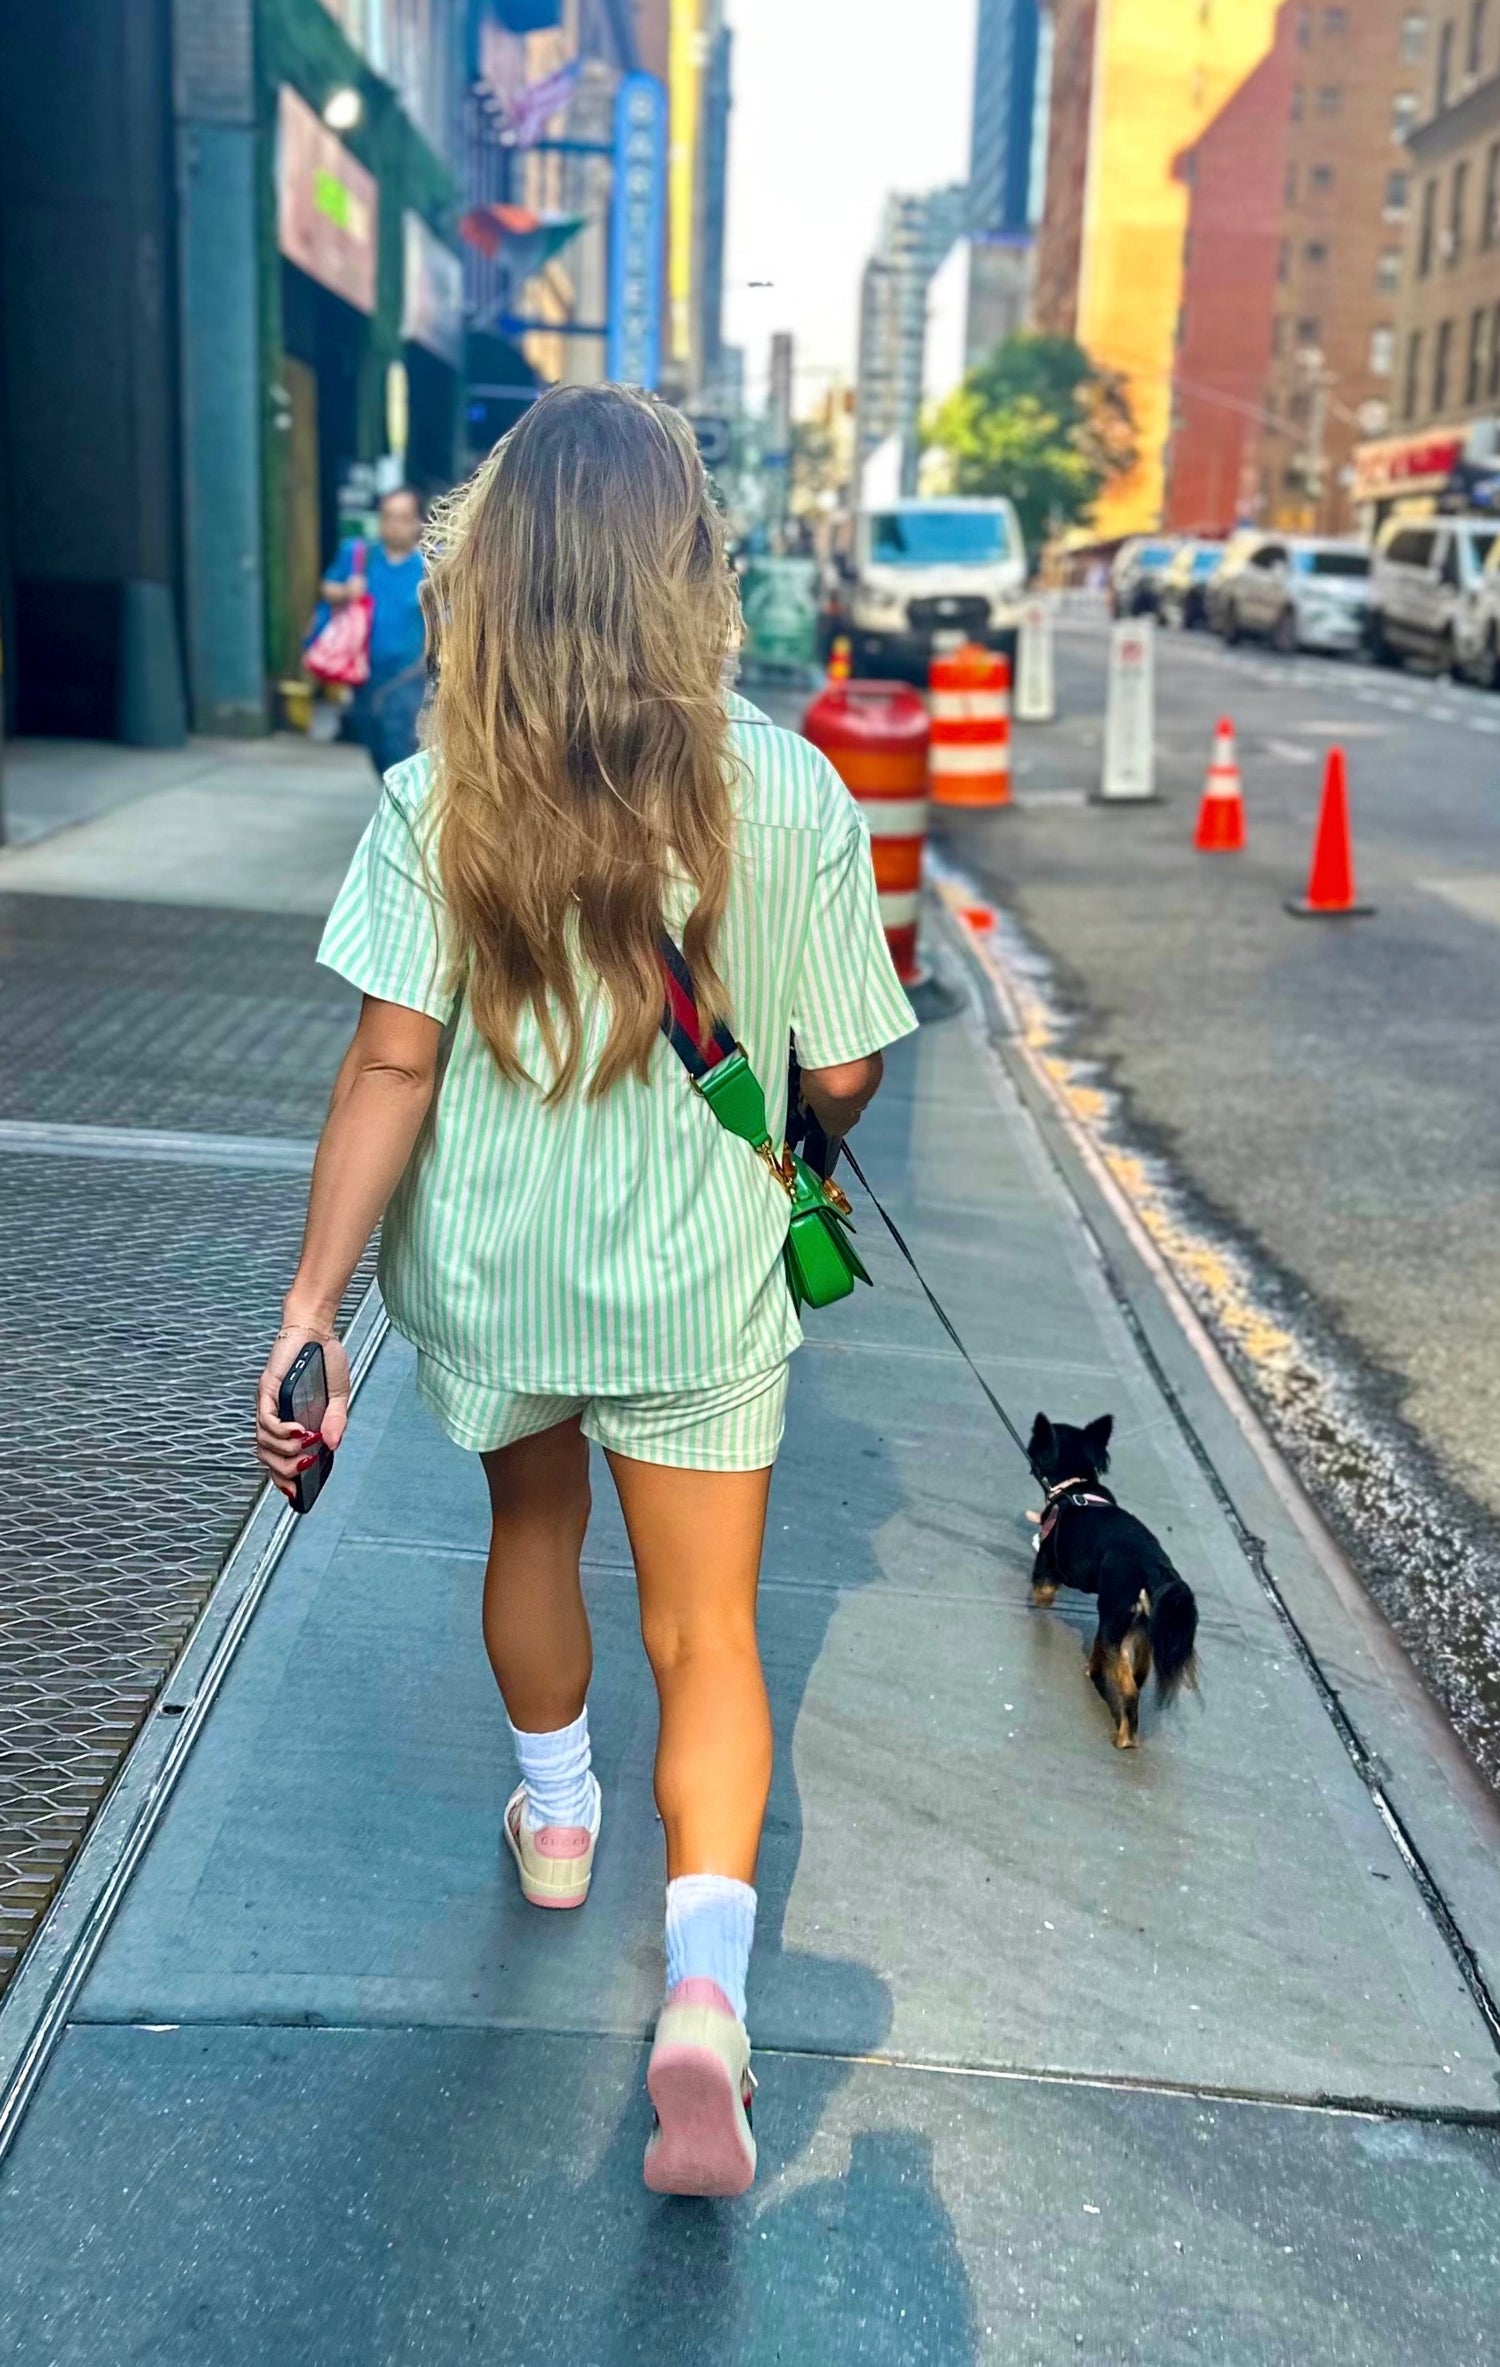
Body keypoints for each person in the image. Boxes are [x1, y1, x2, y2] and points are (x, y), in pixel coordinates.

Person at [255, 385, 915, 2198]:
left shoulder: (432, 797)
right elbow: (846, 1072)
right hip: (699, 1280)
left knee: (528, 1538)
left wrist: (310, 1302)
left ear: (505, 567)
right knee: (707, 1634)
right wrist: (793, 1090)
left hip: (498, 1274)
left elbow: (392, 1065)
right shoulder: (787, 790)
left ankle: (557, 1820)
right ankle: (704, 1997)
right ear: (686, 570)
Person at [320, 485, 428, 776]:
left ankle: (404, 809)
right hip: (362, 671)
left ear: (418, 522)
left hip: (407, 674)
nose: (394, 525)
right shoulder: (358, 556)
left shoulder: (428, 568)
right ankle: (393, 798)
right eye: (388, 517)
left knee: (398, 739)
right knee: (373, 739)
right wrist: (345, 591)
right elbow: (326, 588)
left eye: (403, 517)